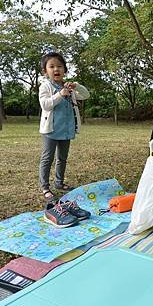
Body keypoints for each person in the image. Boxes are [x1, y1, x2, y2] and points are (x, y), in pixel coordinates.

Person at [38, 52, 90, 200]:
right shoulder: (45, 86)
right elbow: (45, 105)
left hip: (66, 129)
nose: (56, 69)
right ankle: (45, 187)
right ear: (45, 71)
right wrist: (60, 94)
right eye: (52, 66)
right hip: (52, 129)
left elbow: (86, 95)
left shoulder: (69, 87)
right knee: (47, 158)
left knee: (62, 158)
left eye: (60, 66)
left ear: (65, 70)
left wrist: (77, 86)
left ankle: (59, 183)